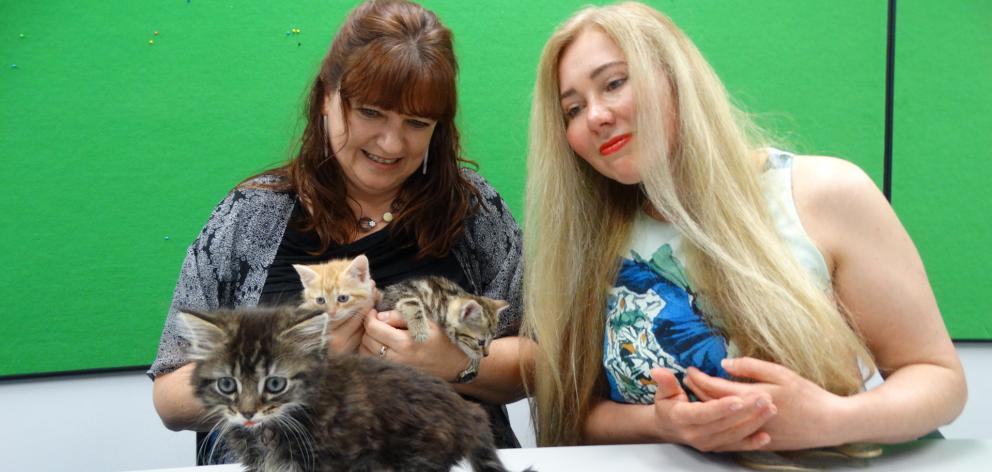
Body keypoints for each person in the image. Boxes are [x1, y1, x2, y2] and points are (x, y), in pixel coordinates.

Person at [522, 2, 966, 452]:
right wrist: (662, 423)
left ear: (676, 77)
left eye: (614, 83)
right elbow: (574, 414)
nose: (595, 116)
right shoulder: (588, 245)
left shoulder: (824, 193)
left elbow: (938, 380)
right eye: (573, 109)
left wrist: (833, 419)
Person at [150, 0, 526, 454]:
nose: (391, 143)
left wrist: (460, 362)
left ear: (438, 129)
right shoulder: (251, 216)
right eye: (370, 112)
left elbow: (544, 362)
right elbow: (169, 398)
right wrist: (293, 358)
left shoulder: (474, 211)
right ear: (326, 98)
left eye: (416, 123)